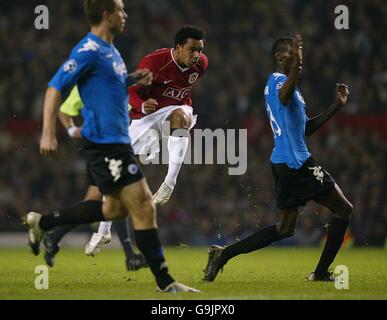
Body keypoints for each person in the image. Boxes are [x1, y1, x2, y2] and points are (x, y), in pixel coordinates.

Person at [25, 0, 199, 293]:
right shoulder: (88, 51)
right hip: (105, 143)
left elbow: (111, 88)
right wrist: (48, 133)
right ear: (106, 15)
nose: (125, 15)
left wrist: (132, 79)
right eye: (120, 10)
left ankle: (43, 223)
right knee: (144, 205)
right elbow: (55, 87)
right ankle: (166, 283)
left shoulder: (111, 51)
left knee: (115, 209)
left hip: (115, 139)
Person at [203, 34, 353, 282]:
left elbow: (305, 128)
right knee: (344, 209)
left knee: (285, 228)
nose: (296, 56)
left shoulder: (290, 86)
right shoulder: (277, 81)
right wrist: (297, 66)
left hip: (284, 163)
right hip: (297, 163)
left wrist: (336, 106)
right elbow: (284, 96)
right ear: (279, 56)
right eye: (291, 52)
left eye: (297, 53)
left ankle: (223, 255)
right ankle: (320, 272)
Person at [84, 25, 208, 253]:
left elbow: (183, 92)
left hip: (175, 110)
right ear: (178, 47)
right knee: (117, 169)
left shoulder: (201, 65)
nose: (197, 55)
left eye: (200, 50)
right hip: (146, 117)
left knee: (181, 116)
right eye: (192, 50)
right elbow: (129, 91)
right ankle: (103, 231)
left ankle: (169, 183)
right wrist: (141, 104)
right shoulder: (155, 63)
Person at [42, 86, 147, 271]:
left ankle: (55, 235)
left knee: (92, 202)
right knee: (119, 194)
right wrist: (72, 131)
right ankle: (130, 255)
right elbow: (64, 111)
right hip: (99, 148)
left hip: (110, 147)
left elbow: (129, 109)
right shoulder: (84, 85)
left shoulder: (114, 81)